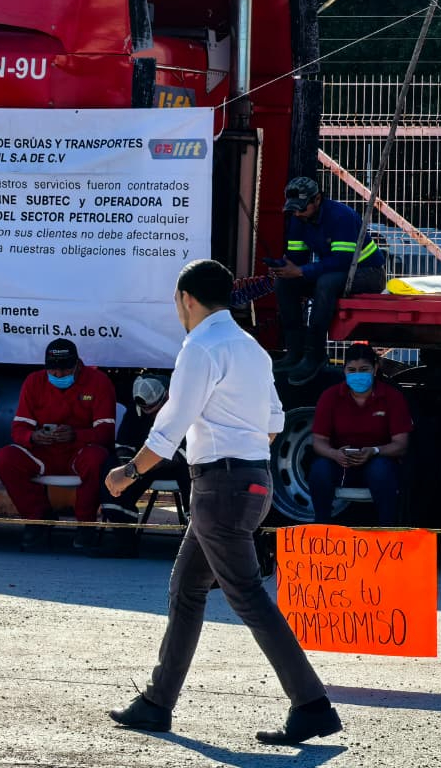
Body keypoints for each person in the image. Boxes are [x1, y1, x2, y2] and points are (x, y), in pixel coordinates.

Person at [106, 259, 340, 745]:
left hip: (221, 488)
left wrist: (129, 472)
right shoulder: (250, 348)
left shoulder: (201, 347)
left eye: (176, 302)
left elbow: (170, 426)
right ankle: (156, 702)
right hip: (251, 481)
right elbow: (274, 422)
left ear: (186, 299)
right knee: (187, 589)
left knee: (247, 596)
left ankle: (312, 704)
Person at [0, 338, 116, 552]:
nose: (58, 375)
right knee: (3, 459)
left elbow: (105, 433)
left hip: (80, 450)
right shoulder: (34, 381)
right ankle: (38, 519)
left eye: (64, 370)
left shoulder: (98, 381)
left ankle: (86, 526)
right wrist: (34, 437)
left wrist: (75, 435)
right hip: (43, 452)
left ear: (77, 364)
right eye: (53, 370)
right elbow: (19, 429)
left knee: (97, 459)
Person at [269, 177, 386, 386]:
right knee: (284, 283)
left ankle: (315, 354)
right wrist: (283, 267)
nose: (297, 214)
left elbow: (342, 261)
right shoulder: (298, 218)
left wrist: (301, 271)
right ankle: (294, 352)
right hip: (336, 270)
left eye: (302, 209)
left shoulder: (341, 216)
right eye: (293, 210)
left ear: (317, 200)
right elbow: (297, 259)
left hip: (367, 273)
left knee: (326, 282)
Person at [308, 343, 412, 526]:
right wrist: (335, 454)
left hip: (378, 462)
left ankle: (388, 531)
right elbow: (319, 441)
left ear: (375, 369)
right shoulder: (330, 397)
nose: (358, 375)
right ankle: (321, 528)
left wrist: (373, 451)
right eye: (352, 370)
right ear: (344, 370)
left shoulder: (392, 397)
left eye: (364, 369)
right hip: (342, 464)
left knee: (381, 470)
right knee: (319, 470)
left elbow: (401, 445)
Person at [93, 372, 191, 559]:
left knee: (194, 472)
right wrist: (125, 467)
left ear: (167, 396)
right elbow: (123, 444)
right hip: (139, 466)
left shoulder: (183, 409)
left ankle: (193, 544)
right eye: (145, 409)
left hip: (177, 465)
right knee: (110, 465)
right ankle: (124, 540)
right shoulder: (135, 410)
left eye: (154, 409)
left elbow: (186, 452)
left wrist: (139, 468)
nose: (149, 413)